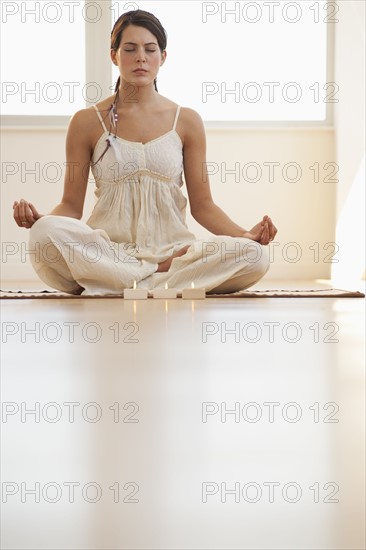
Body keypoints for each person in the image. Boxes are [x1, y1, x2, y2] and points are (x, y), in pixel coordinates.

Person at [13, 9, 277, 295]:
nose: (141, 57)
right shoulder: (85, 121)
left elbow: (204, 206)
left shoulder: (186, 120)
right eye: (130, 49)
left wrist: (245, 236)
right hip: (109, 252)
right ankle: (152, 280)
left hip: (175, 254)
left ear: (163, 57)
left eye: (150, 49)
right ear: (113, 55)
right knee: (43, 235)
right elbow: (71, 206)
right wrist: (44, 220)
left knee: (255, 256)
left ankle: (118, 283)